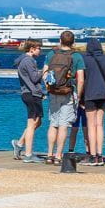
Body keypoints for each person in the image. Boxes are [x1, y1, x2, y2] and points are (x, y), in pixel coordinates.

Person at [75, 28, 105, 162]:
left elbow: (81, 78)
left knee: (91, 125)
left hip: (89, 94)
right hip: (104, 94)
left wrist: (79, 96)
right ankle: (100, 153)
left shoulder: (84, 60)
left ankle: (92, 155)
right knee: (100, 125)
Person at [45, 30, 81, 164]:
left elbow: (45, 73)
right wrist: (79, 95)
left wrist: (48, 88)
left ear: (60, 41)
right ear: (73, 42)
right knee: (63, 125)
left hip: (53, 92)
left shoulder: (51, 54)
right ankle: (58, 155)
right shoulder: (76, 56)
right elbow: (81, 79)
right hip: (68, 92)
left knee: (53, 124)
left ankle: (49, 154)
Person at [12, 39, 47, 159]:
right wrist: (44, 71)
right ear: (32, 49)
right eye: (39, 48)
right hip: (31, 93)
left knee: (37, 122)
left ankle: (20, 143)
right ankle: (28, 154)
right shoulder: (29, 61)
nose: (40, 50)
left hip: (29, 93)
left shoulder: (24, 60)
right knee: (32, 123)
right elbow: (34, 78)